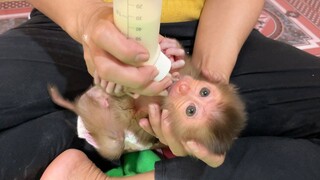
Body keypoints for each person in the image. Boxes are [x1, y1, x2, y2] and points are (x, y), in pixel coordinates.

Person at [1, 0, 319, 179]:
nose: (189, 91)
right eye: (202, 95)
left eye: (196, 102)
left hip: (206, 30)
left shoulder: (197, 81)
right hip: (81, 20)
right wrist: (88, 21)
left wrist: (209, 72)